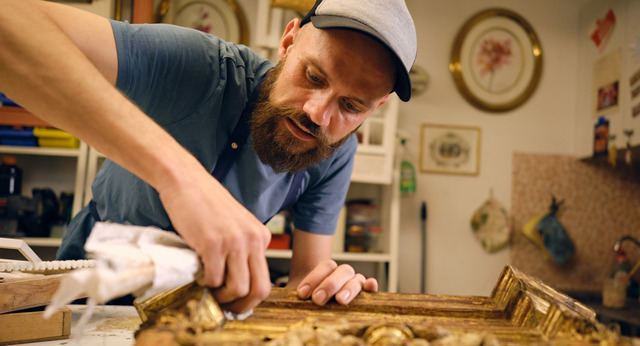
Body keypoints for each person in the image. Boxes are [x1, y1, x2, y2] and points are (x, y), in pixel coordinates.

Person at [0, 0, 417, 314]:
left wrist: (326, 286)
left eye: (351, 106)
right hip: (91, 285)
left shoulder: (336, 152)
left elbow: (304, 279)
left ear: (374, 109)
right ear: (288, 42)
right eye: (313, 77)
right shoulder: (199, 66)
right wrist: (180, 176)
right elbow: (9, 22)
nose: (317, 114)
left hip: (203, 306)